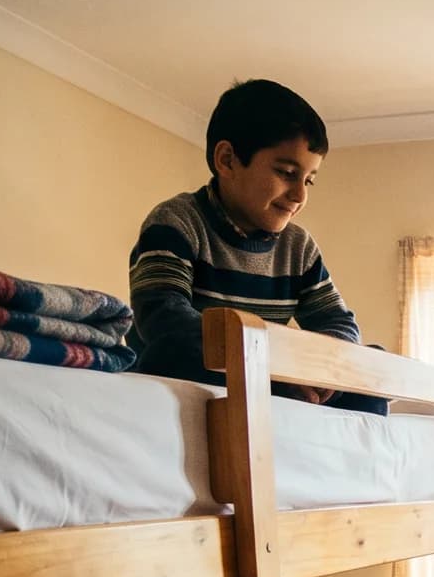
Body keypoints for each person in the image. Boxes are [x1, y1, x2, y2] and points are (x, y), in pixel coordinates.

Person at [127, 79, 384, 411]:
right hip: (201, 371)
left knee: (369, 368)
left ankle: (348, 459)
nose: (300, 196)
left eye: (309, 180)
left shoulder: (298, 247)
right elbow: (164, 320)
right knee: (171, 351)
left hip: (268, 375)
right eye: (286, 172)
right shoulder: (176, 223)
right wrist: (274, 368)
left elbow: (339, 323)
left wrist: (315, 370)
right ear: (228, 160)